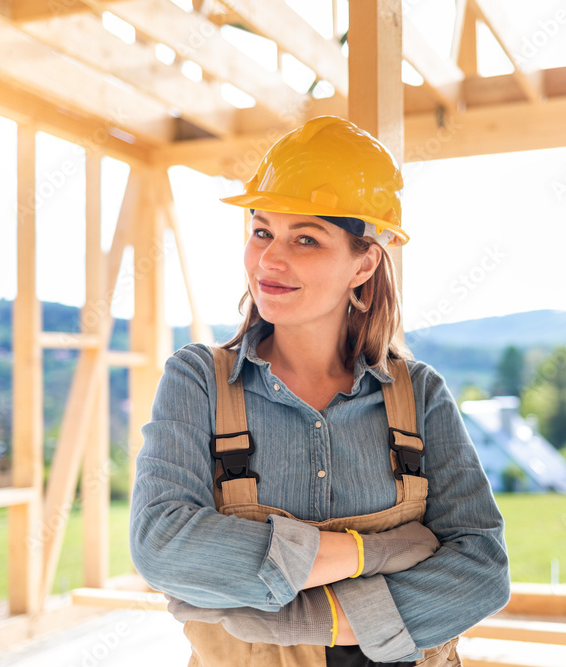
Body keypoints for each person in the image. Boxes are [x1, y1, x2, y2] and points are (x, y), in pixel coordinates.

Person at [129, 115, 510, 667]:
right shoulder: (199, 382)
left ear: (365, 261)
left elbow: (481, 571)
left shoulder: (419, 395)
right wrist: (377, 552)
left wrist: (304, 620)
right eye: (262, 231)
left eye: (306, 238)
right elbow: (162, 544)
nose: (270, 260)